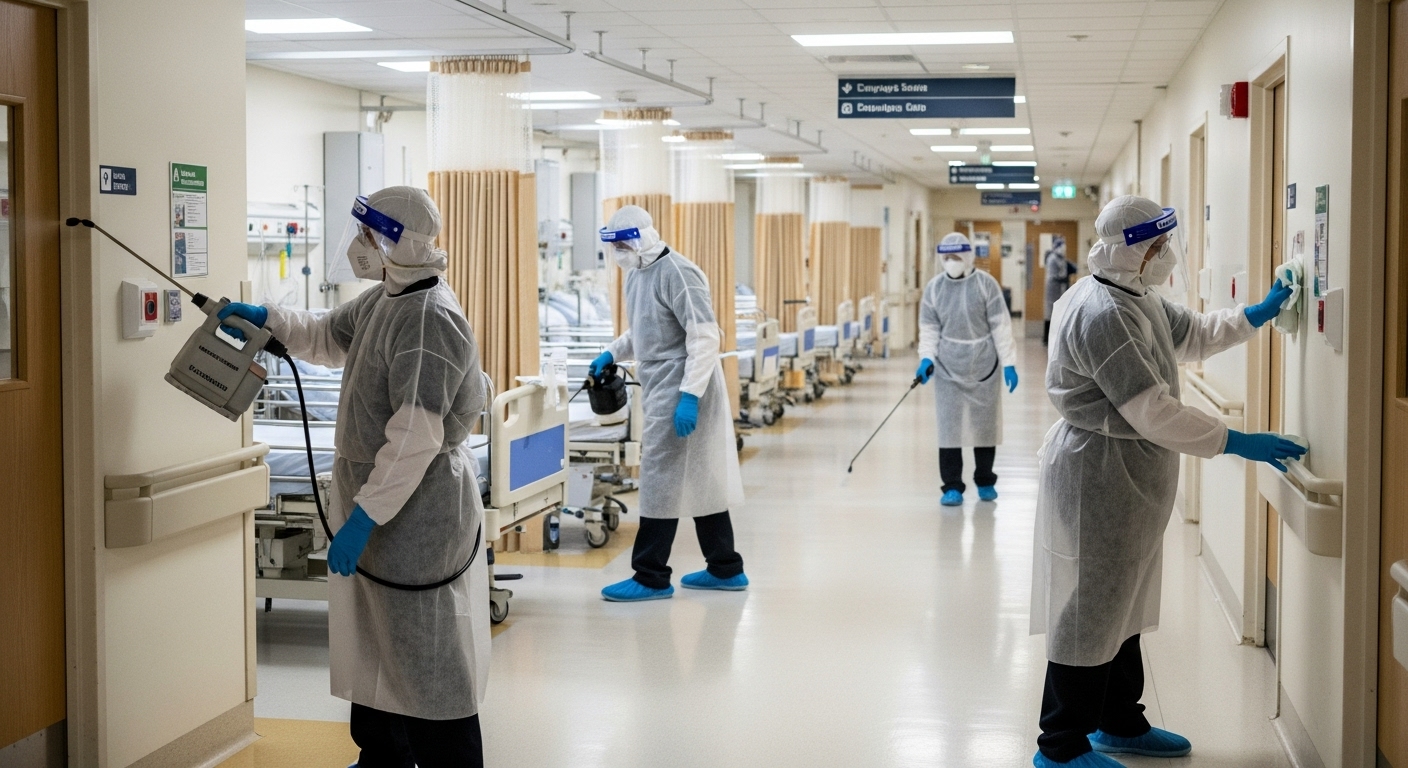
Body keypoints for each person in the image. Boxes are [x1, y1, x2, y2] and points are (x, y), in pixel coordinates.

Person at [218, 187, 491, 768]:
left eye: (368, 235)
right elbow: (324, 335)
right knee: (375, 637)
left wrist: (365, 517)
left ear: (397, 242)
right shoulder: (383, 300)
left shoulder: (429, 318)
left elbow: (416, 437)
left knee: (426, 655)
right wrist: (268, 319)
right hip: (381, 506)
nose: (358, 245)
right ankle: (382, 758)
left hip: (416, 515)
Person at [1031, 195, 1304, 767]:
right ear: (1126, 249)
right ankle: (1059, 746)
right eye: (1155, 246)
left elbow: (1192, 334)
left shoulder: (1136, 294)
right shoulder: (1102, 312)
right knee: (1093, 608)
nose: (1165, 255)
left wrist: (1257, 313)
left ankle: (1119, 721)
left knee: (1123, 601)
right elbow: (1150, 411)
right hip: (1097, 474)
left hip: (1126, 476)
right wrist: (1235, 441)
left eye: (1164, 243)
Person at [591, 205, 747, 602]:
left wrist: (690, 396)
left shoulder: (679, 272)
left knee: (659, 477)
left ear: (643, 237)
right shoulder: (637, 274)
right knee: (700, 476)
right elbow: (644, 330)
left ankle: (650, 575)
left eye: (624, 244)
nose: (619, 252)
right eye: (615, 246)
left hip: (686, 386)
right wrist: (612, 352)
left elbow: (704, 337)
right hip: (662, 384)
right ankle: (725, 567)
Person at [915, 232, 1019, 506]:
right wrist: (926, 358)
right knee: (949, 427)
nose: (951, 261)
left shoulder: (986, 285)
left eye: (956, 256)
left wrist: (1009, 362)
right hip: (948, 367)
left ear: (967, 256)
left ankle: (985, 480)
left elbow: (1000, 326)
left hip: (984, 365)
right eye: (947, 257)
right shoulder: (934, 289)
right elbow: (929, 329)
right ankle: (952, 486)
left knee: (984, 426)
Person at [1043, 237, 1077, 346]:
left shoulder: (1061, 258)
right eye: (1061, 247)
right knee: (1050, 313)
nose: (1063, 250)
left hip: (1060, 289)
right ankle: (1046, 338)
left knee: (1058, 312)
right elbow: (1054, 276)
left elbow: (1070, 267)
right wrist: (1064, 279)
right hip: (1052, 289)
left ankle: (1056, 337)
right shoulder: (1052, 259)